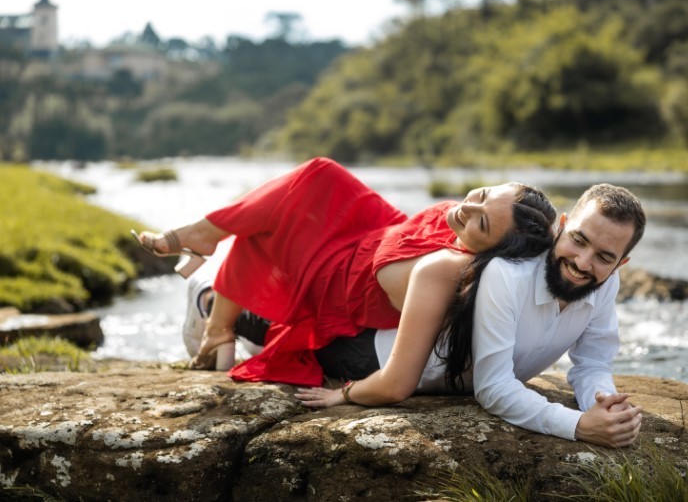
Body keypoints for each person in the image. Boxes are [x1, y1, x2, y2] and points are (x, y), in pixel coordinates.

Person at [132, 157, 556, 392]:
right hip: (373, 231)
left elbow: (399, 380)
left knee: (271, 227)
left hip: (340, 283)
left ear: (494, 251)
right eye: (482, 195)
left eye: (481, 222)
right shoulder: (465, 229)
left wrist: (348, 395)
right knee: (318, 175)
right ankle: (214, 303)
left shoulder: (446, 270)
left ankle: (213, 313)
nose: (467, 208)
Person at [295, 182, 646, 448]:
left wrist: (605, 406)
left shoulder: (605, 283)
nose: (583, 263)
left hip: (424, 372)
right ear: (562, 226)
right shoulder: (506, 275)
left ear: (620, 264)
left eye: (604, 257)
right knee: (279, 327)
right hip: (372, 358)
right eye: (578, 241)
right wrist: (578, 425)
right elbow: (493, 388)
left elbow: (592, 363)